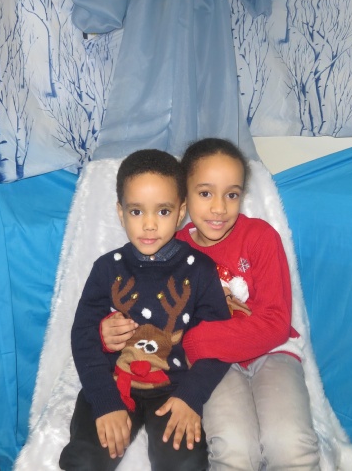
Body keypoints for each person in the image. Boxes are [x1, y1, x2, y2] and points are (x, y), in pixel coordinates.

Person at [102, 138, 321, 470]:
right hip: (210, 367)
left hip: (271, 354)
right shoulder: (170, 249)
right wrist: (109, 329)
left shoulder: (260, 237)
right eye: (205, 193)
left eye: (231, 195)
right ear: (183, 199)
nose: (219, 208)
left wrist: (194, 340)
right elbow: (147, 313)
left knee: (290, 445)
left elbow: (275, 323)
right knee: (234, 448)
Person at [59, 148, 231, 471]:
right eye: (137, 211)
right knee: (84, 461)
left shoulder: (200, 270)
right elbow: (83, 335)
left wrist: (191, 396)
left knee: (186, 464)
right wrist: (105, 401)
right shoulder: (106, 268)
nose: (149, 225)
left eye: (163, 211)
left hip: (174, 388)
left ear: (180, 212)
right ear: (120, 212)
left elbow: (219, 343)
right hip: (114, 381)